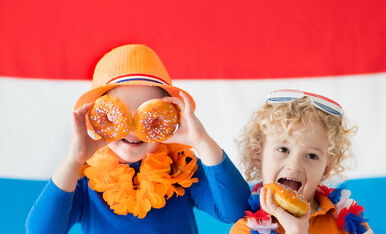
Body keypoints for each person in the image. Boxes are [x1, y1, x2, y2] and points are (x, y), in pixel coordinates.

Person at [26, 44, 250, 234]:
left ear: (170, 118)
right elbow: (40, 230)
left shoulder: (182, 169)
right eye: (119, 117)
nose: (132, 130)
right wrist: (73, 161)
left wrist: (202, 141)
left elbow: (236, 210)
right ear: (95, 118)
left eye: (148, 118)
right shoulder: (84, 179)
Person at [230, 89, 373, 234]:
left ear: (326, 169)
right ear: (257, 156)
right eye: (283, 149)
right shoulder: (245, 229)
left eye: (311, 156)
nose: (294, 166)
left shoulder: (348, 222)